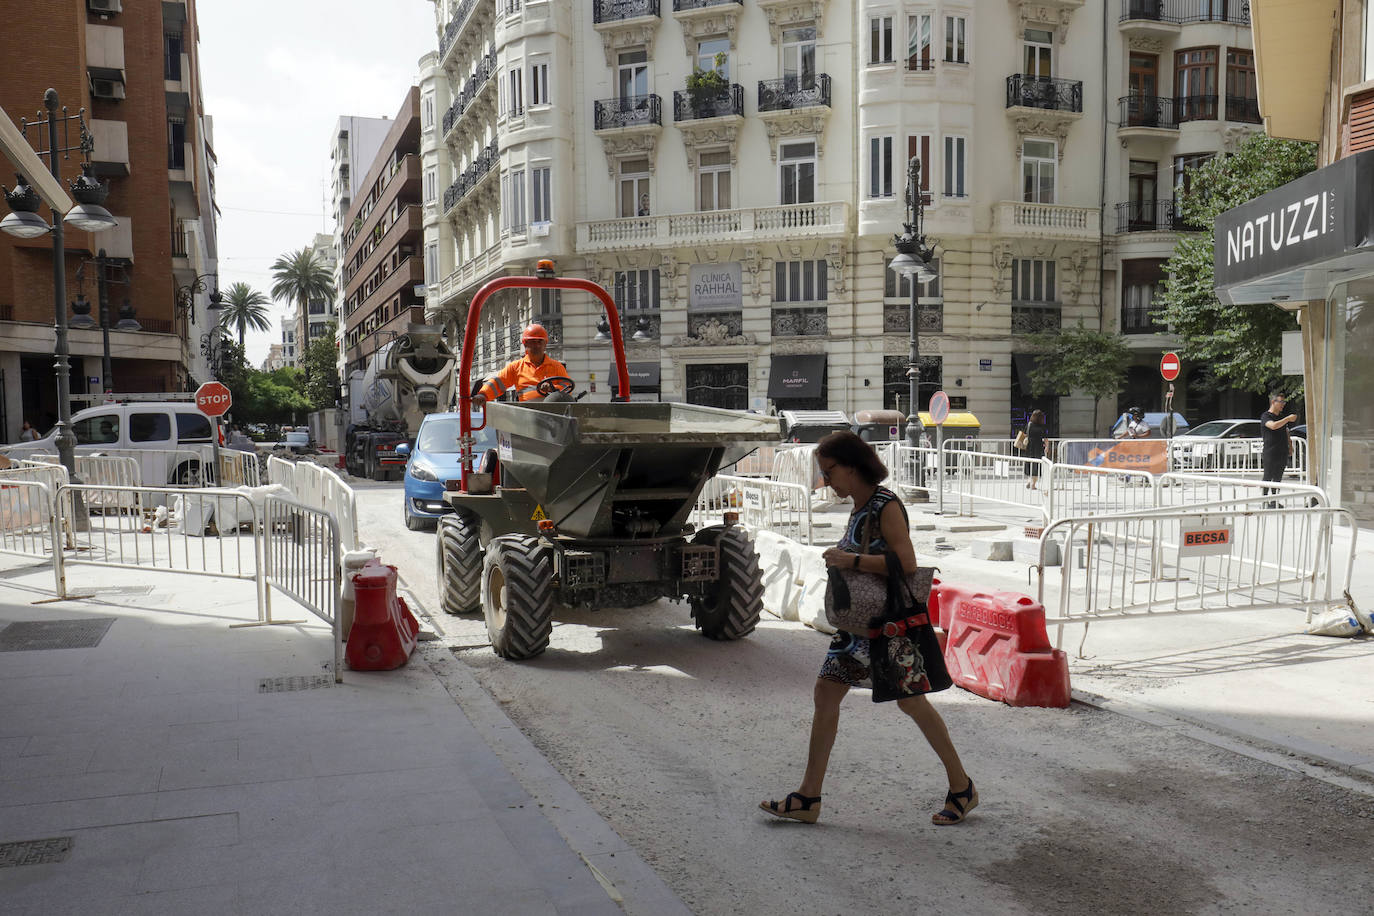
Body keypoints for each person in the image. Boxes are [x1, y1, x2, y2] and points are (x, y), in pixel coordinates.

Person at [759, 431, 976, 827]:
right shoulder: (860, 507)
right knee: (826, 692)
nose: (827, 481)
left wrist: (850, 561)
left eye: (830, 471)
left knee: (911, 702)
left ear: (853, 466)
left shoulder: (885, 504)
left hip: (888, 627)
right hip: (857, 629)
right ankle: (808, 797)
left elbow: (907, 562)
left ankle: (962, 787)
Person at [471, 323, 573, 406]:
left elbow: (567, 388)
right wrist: (483, 395)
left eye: (540, 342)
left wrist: (552, 388)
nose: (536, 345)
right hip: (527, 416)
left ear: (545, 344)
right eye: (532, 342)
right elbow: (497, 382)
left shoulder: (556, 367)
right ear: (525, 344)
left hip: (554, 416)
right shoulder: (516, 367)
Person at [1260, 392, 1299, 502]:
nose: (1283, 404)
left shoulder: (1281, 417)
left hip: (1282, 451)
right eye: (1281, 402)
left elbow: (1286, 432)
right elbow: (1273, 426)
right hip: (1270, 451)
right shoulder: (1266, 416)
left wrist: (1290, 446)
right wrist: (1287, 419)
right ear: (1273, 402)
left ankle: (1274, 500)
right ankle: (1264, 500)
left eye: (1284, 402)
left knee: (1278, 477)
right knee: (1268, 476)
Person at [1024, 409, 1047, 489]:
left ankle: (1029, 481)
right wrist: (1047, 447)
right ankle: (1033, 484)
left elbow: (1026, 435)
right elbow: (1045, 438)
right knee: (1037, 466)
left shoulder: (1029, 424)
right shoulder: (1041, 427)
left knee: (1030, 464)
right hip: (1038, 447)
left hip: (1029, 447)